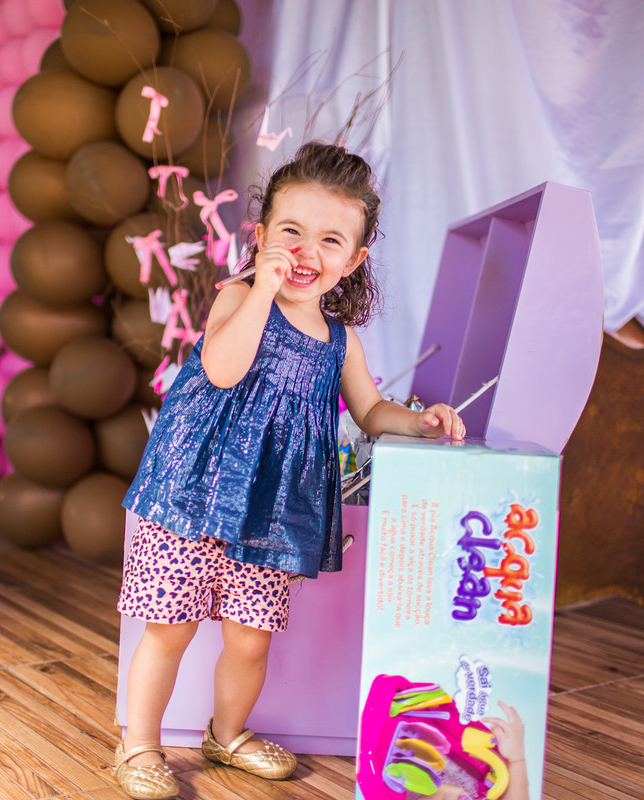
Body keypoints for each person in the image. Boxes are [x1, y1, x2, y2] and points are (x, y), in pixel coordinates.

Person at [113, 141, 467, 800]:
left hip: (275, 511)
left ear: (355, 260)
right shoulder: (238, 301)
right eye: (292, 233)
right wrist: (264, 288)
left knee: (250, 642)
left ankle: (227, 734)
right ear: (262, 236)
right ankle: (138, 745)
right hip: (193, 493)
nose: (307, 251)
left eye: (330, 240)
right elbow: (223, 370)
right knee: (171, 627)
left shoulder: (341, 341)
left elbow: (369, 412)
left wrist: (418, 420)